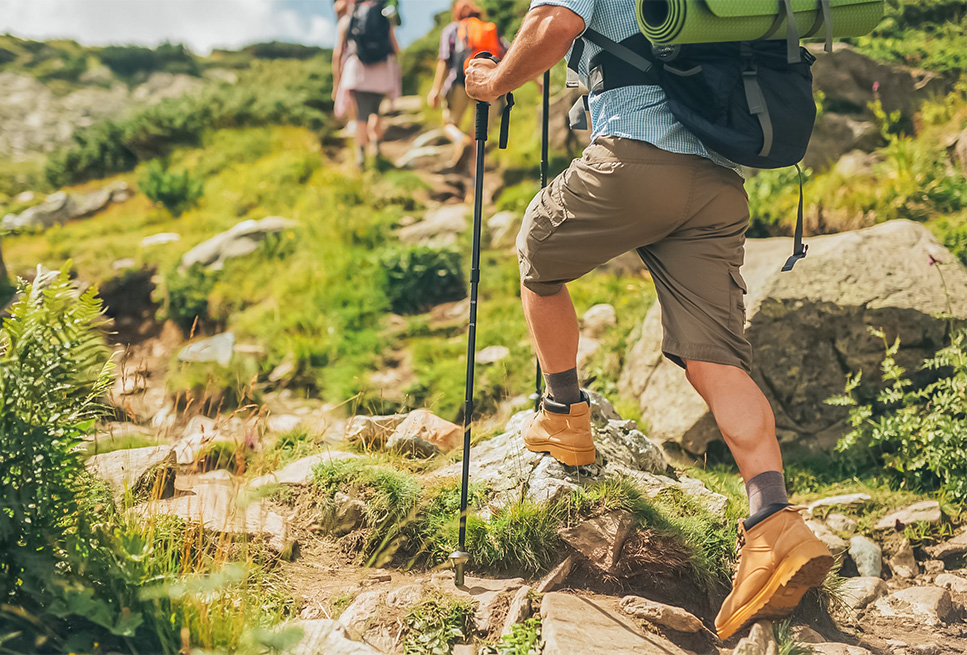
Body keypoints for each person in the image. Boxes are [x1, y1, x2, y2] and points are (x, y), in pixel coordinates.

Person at [464, 0, 834, 642]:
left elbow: (552, 26)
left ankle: (563, 416)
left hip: (637, 159)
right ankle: (774, 522)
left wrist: (495, 83)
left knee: (536, 254)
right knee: (715, 359)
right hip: (717, 181)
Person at [426, 0, 508, 171]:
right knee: (479, 136)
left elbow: (444, 60)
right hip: (487, 82)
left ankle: (459, 140)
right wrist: (536, 80)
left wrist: (435, 90)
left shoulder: (452, 29)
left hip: (460, 80)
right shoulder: (489, 30)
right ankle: (475, 182)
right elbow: (509, 57)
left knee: (449, 123)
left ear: (457, 14)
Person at [333, 0, 402, 167]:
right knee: (375, 112)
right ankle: (377, 148)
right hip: (381, 73)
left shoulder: (347, 20)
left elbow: (338, 54)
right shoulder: (384, 16)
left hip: (358, 73)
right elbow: (395, 48)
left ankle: (361, 156)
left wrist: (337, 83)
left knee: (361, 116)